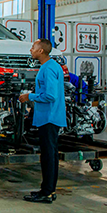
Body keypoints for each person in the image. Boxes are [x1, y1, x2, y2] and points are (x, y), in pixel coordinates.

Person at [20, 39, 67, 203]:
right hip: (50, 117)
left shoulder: (48, 68)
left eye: (33, 47)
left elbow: (51, 95)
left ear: (41, 51)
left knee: (48, 156)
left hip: (49, 117)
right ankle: (48, 189)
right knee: (50, 155)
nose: (31, 50)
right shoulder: (51, 66)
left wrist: (29, 96)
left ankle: (46, 192)